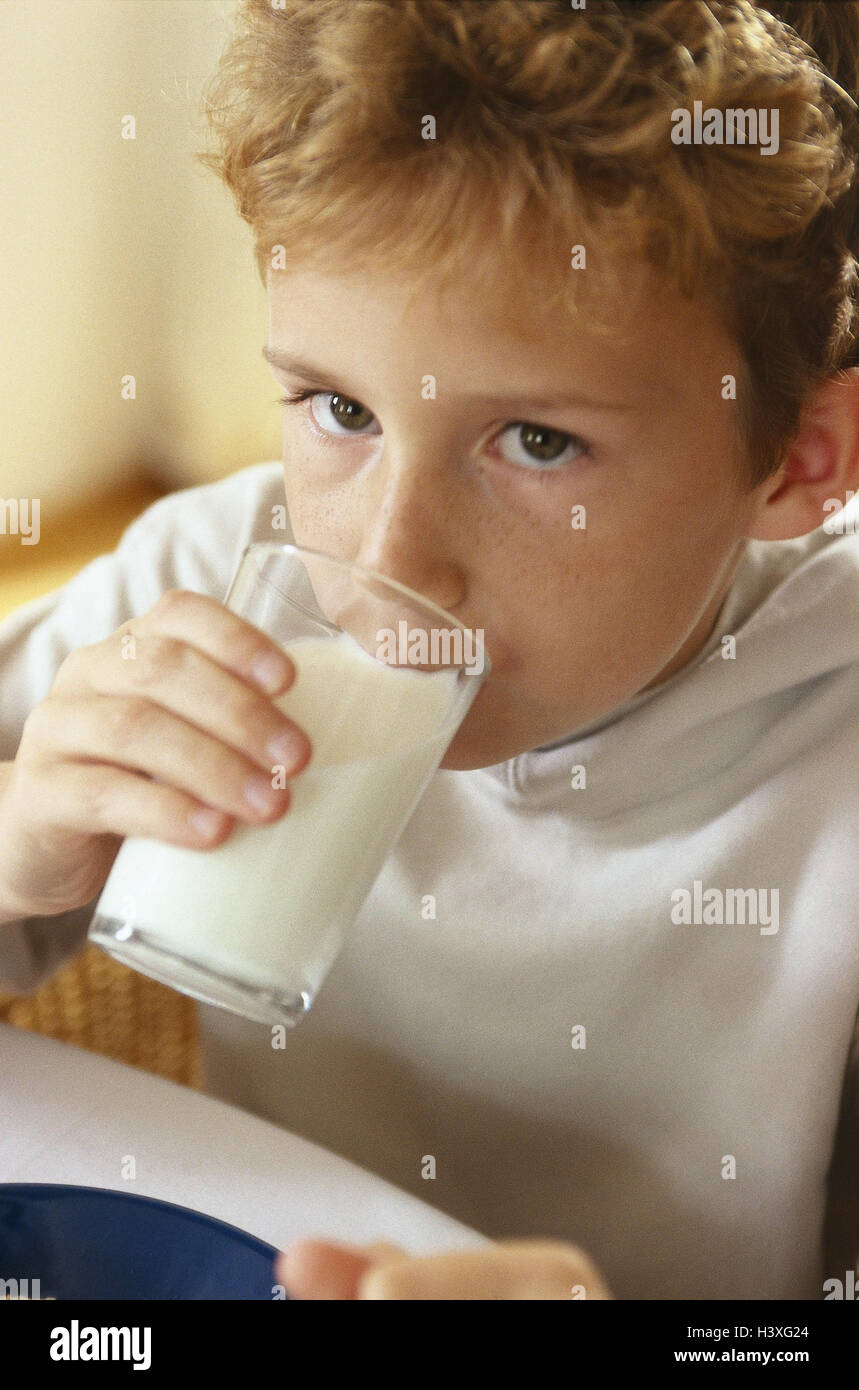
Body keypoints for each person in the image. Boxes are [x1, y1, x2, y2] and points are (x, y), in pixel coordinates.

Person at [1, 0, 858, 1299]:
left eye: (538, 442)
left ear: (803, 458)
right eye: (340, 408)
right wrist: (17, 853)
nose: (390, 563)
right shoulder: (213, 588)